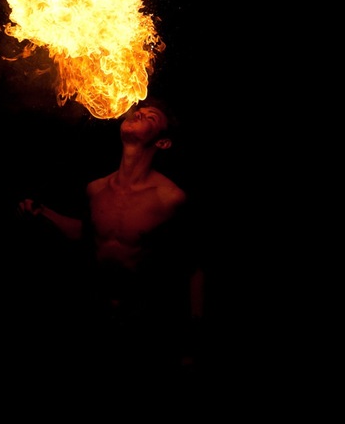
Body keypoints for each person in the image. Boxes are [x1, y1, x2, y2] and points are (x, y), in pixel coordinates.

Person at [15, 96, 206, 394]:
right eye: (139, 111)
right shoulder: (96, 189)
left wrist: (193, 338)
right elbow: (88, 236)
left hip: (145, 325)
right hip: (93, 319)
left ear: (163, 142)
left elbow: (193, 268)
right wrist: (44, 213)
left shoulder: (170, 198)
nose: (138, 113)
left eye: (151, 117)